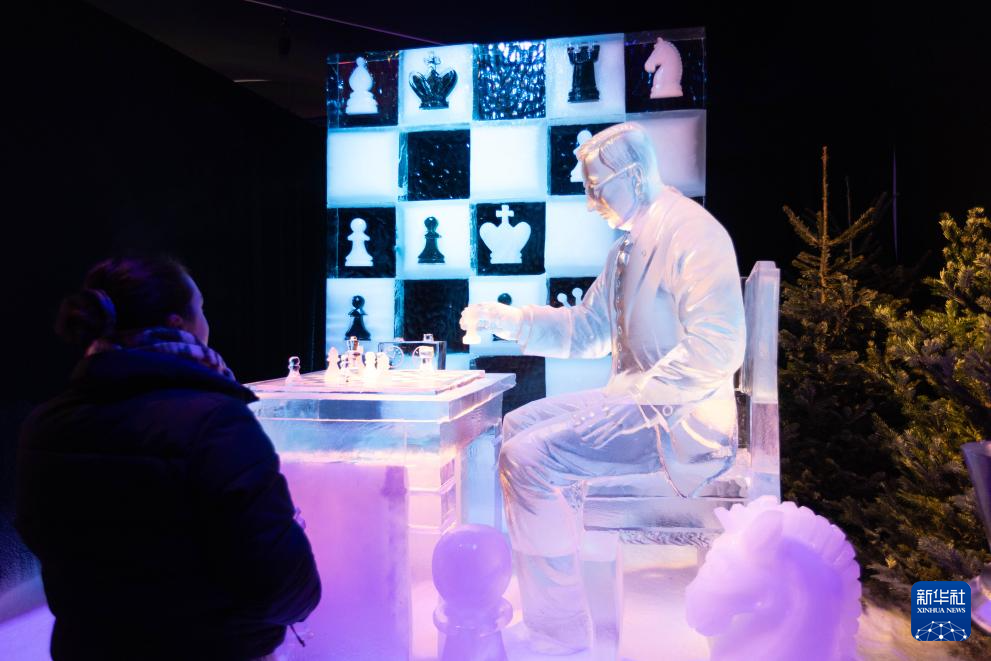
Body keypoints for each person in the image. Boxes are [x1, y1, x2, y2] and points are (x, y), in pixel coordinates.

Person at [460, 122, 746, 653]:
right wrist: (509, 320)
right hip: (636, 402)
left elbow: (719, 346)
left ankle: (558, 629)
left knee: (526, 459)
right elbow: (588, 331)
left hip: (683, 422)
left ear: (633, 176)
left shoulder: (693, 234)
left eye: (597, 188)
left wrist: (645, 400)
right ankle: (564, 587)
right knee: (515, 426)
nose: (591, 203)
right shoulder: (627, 247)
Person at [16, 256, 320, 660]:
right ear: (180, 324)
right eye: (202, 308)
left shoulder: (44, 424)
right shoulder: (217, 423)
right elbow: (283, 584)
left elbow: (45, 542)